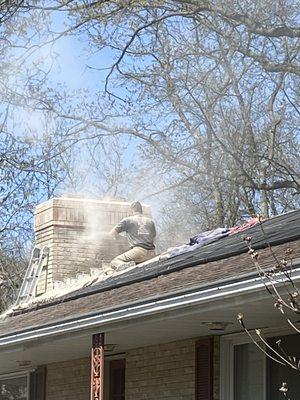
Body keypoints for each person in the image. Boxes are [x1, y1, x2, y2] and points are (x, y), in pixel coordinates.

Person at [110, 201, 156, 269]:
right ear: (141, 210)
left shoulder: (127, 220)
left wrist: (122, 238)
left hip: (138, 252)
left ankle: (128, 267)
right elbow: (154, 238)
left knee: (115, 261)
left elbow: (112, 233)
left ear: (132, 210)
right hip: (152, 253)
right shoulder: (150, 221)